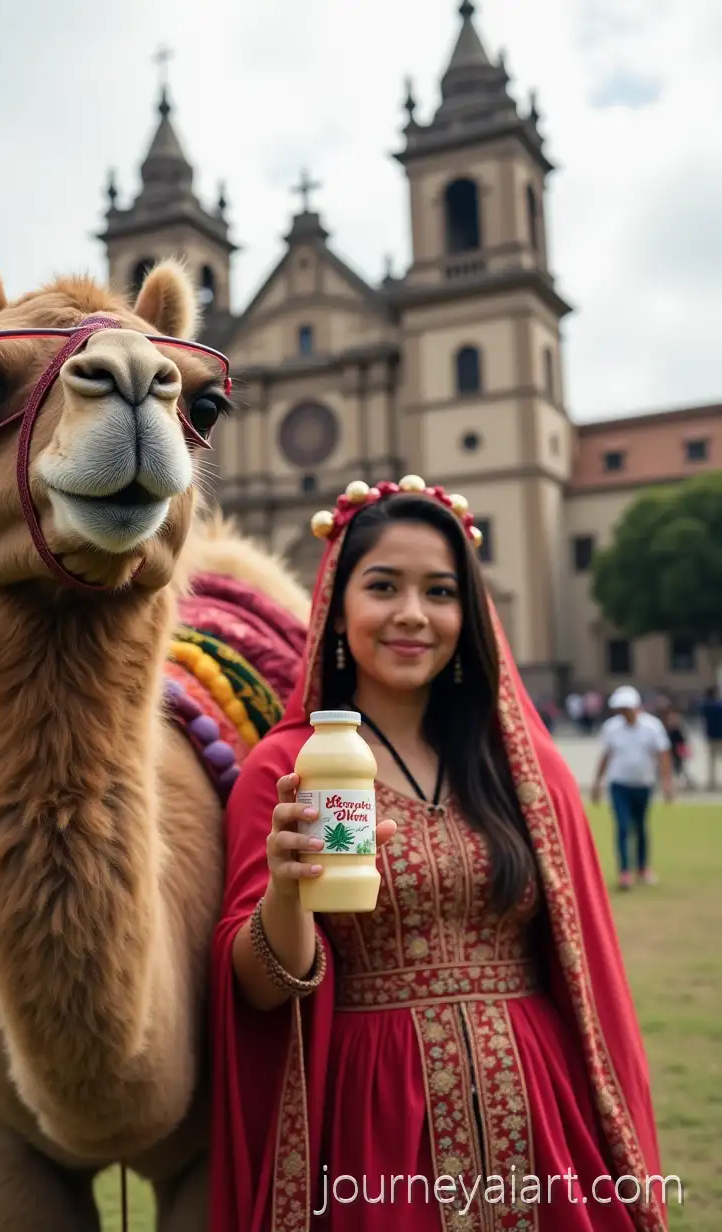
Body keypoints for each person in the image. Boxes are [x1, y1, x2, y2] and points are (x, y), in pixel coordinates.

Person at [208, 477, 666, 1231]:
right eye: (383, 586)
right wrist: (286, 897)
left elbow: (584, 973)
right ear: (335, 607)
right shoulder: (291, 768)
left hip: (539, 1105)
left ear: (470, 612)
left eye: (440, 591)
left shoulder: (517, 766)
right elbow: (259, 993)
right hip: (374, 1119)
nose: (413, 615)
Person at [591, 687, 673, 891]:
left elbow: (663, 755)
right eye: (620, 709)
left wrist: (667, 783)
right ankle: (624, 872)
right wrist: (597, 783)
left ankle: (643, 868)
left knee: (640, 826)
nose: (623, 713)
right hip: (619, 784)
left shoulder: (652, 726)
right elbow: (606, 756)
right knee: (623, 825)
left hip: (643, 784)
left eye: (626, 708)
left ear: (636, 707)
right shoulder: (611, 728)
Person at [701, 685, 722, 791]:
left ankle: (712, 782)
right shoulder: (719, 706)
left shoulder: (706, 706)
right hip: (720, 735)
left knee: (712, 760)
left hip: (711, 735)